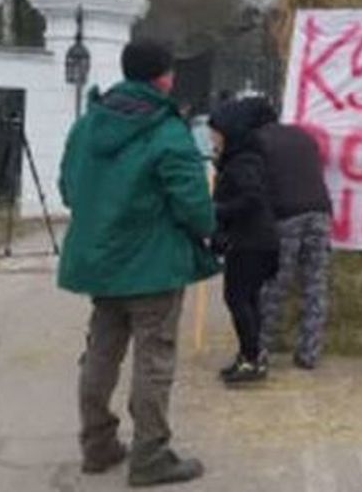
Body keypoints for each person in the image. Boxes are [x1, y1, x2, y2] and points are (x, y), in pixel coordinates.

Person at [58, 39, 219, 487]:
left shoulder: (89, 124)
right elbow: (194, 203)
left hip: (101, 264)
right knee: (154, 360)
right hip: (154, 265)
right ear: (165, 76)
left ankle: (97, 444)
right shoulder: (167, 130)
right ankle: (150, 456)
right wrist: (208, 228)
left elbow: (69, 187)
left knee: (101, 351)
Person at [255, 101, 334, 370]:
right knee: (315, 284)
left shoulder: (258, 142)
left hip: (286, 215)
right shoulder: (303, 136)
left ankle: (260, 349)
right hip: (320, 212)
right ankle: (309, 352)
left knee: (276, 284)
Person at [208, 98, 280, 385]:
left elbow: (251, 199)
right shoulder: (242, 158)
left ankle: (252, 358)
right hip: (254, 239)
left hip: (252, 241)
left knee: (238, 298)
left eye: (217, 132)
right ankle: (250, 354)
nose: (213, 137)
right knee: (248, 299)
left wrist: (216, 211)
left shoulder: (244, 162)